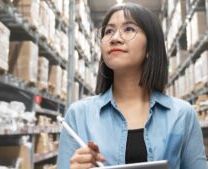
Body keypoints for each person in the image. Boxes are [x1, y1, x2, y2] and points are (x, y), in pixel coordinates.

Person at [57, 3, 208, 169]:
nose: (115, 38)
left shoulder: (182, 114)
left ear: (150, 47)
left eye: (128, 29)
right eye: (109, 31)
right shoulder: (78, 115)